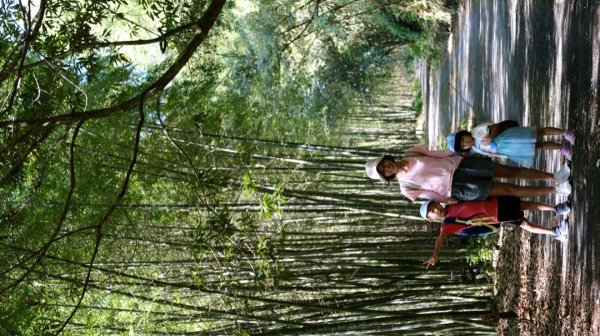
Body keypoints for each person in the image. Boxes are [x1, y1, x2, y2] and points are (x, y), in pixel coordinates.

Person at [364, 145, 571, 203]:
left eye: (384, 164)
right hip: (458, 188)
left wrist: (460, 149)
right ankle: (555, 190)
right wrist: (448, 200)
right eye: (384, 172)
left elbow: (438, 154)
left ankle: (554, 176)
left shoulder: (411, 152)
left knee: (511, 171)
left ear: (387, 159)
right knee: (508, 189)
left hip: (462, 165)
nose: (387, 168)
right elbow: (430, 195)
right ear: (387, 177)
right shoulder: (406, 188)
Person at [420, 197, 571, 268]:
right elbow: (439, 240)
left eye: (434, 205)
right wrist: (435, 255)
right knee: (524, 222)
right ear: (431, 219)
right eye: (432, 212)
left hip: (495, 202)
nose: (436, 209)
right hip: (495, 216)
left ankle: (556, 208)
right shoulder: (447, 225)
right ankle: (555, 232)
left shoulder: (451, 202)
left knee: (524, 204)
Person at [449, 120, 575, 167]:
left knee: (537, 133)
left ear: (465, 133)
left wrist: (491, 137)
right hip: (508, 149)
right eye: (464, 145)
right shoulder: (474, 150)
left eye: (464, 140)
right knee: (537, 146)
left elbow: (496, 126)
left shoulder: (476, 131)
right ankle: (562, 147)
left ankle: (565, 133)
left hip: (509, 136)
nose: (466, 143)